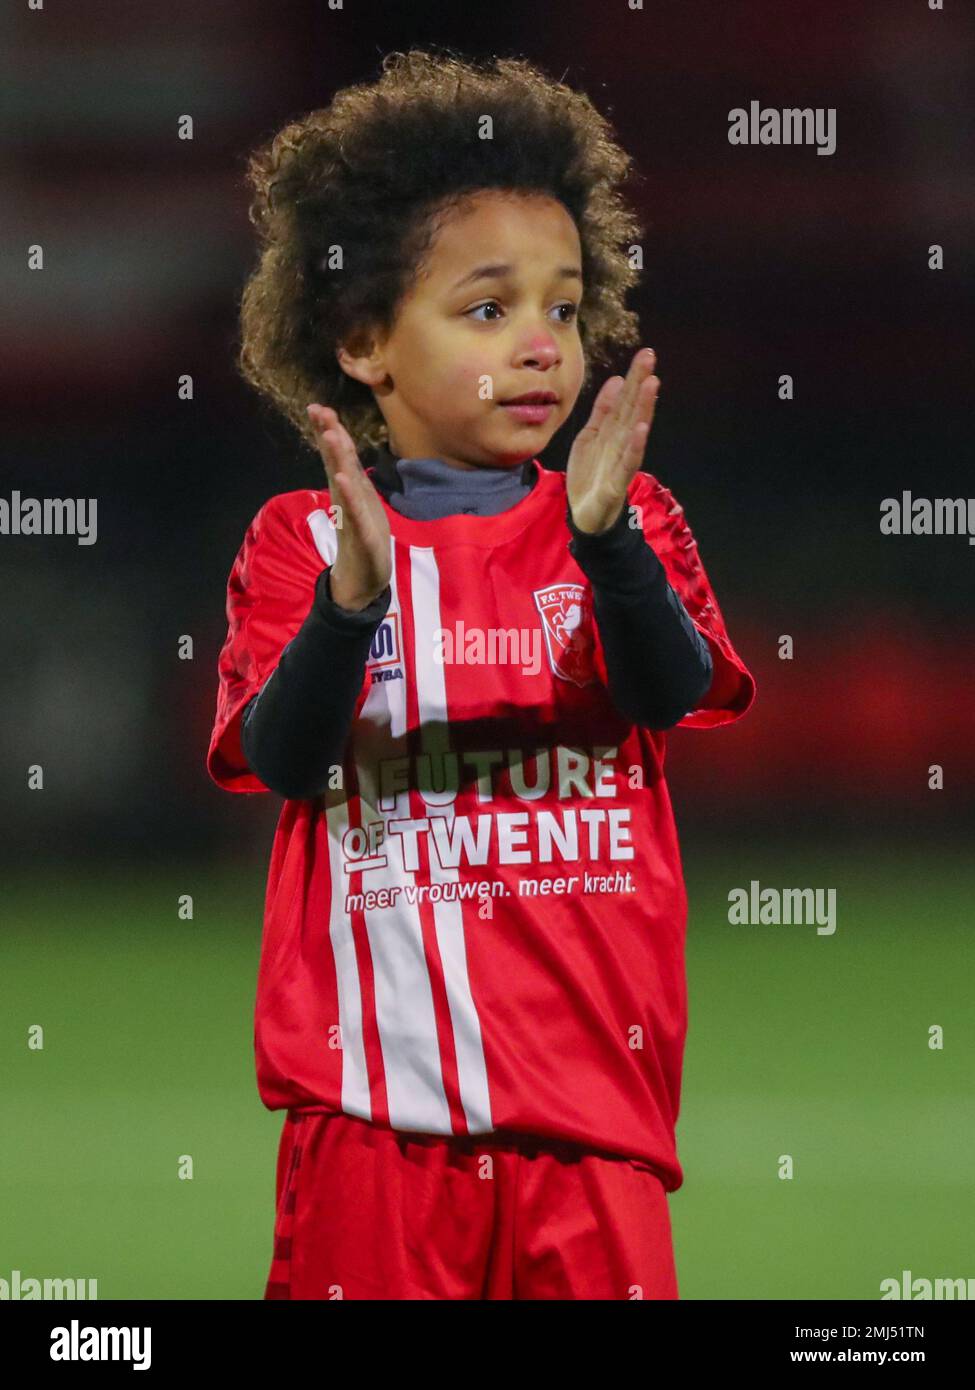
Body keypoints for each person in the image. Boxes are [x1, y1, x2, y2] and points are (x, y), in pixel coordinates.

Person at [207, 48, 756, 1300]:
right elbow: (282, 761)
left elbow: (667, 692)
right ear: (362, 341)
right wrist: (353, 605)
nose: (542, 347)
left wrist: (611, 548)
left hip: (595, 1130)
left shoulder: (624, 519)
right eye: (488, 308)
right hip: (370, 1125)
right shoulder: (304, 542)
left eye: (564, 309)